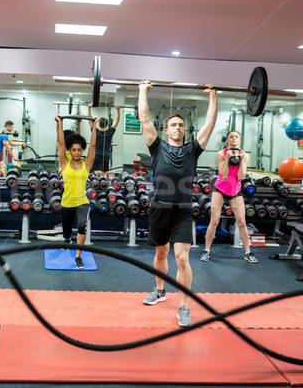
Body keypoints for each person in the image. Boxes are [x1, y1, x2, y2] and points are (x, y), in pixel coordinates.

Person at [139, 81, 218, 327]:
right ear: (166, 129)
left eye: (181, 125)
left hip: (183, 210)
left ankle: (184, 307)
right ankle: (160, 291)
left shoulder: (193, 150)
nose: (178, 128)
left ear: (185, 130)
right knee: (160, 252)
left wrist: (213, 96)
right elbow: (144, 119)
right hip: (159, 207)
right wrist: (142, 90)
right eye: (173, 125)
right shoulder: (157, 148)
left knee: (182, 259)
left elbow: (210, 125)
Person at [201, 130, 256, 263]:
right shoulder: (221, 154)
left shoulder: (245, 156)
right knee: (214, 220)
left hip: (235, 190)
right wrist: (227, 158)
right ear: (227, 140)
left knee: (242, 222)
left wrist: (242, 160)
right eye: (231, 137)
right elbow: (224, 174)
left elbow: (240, 176)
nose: (233, 139)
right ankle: (206, 251)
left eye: (236, 137)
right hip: (220, 188)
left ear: (239, 140)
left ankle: (248, 253)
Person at [55, 114, 97, 269]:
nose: (77, 152)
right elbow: (60, 143)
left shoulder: (87, 165)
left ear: (82, 151)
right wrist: (60, 123)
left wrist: (93, 126)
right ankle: (67, 240)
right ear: (70, 151)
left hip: (82, 202)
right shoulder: (64, 163)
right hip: (66, 202)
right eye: (74, 150)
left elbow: (92, 146)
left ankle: (78, 256)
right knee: (67, 231)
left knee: (81, 226)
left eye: (79, 150)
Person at [87, 103, 120, 174]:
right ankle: (104, 184)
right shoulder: (110, 132)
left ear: (98, 124)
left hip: (96, 155)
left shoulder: (95, 131)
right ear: (107, 124)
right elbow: (117, 121)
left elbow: (89, 120)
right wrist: (118, 110)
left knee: (96, 173)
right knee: (104, 174)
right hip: (106, 156)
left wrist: (89, 108)